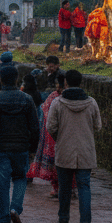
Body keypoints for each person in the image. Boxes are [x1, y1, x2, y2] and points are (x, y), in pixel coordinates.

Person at [47, 69, 102, 223]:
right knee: (84, 186)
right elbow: (98, 126)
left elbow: (51, 127)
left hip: (64, 149)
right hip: (85, 150)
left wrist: (61, 137)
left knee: (64, 187)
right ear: (81, 82)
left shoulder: (58, 102)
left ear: (66, 83)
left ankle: (63, 219)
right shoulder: (91, 103)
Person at [0, 65, 40, 223]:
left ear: (0, 80)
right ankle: (15, 208)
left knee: (2, 185)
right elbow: (35, 127)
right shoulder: (27, 99)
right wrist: (33, 149)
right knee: (20, 178)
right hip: (21, 146)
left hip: (1, 147)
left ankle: (4, 222)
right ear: (17, 79)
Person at [28, 70, 65, 198]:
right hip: (62, 137)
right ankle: (64, 188)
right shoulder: (54, 97)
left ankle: (59, 188)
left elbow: (45, 118)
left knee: (57, 164)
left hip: (53, 136)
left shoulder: (53, 98)